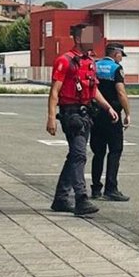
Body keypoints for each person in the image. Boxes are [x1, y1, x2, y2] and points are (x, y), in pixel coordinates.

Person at [46, 24, 119, 215]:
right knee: (79, 155)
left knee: (74, 156)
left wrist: (108, 107)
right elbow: (55, 91)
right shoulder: (64, 61)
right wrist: (51, 117)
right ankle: (81, 198)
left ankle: (61, 199)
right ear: (78, 39)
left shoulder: (90, 62)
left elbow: (93, 90)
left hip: (86, 114)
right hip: (71, 114)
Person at [90, 42, 131, 201]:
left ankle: (95, 189)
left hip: (96, 114)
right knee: (115, 150)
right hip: (112, 116)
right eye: (121, 55)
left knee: (98, 152)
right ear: (116, 54)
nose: (121, 59)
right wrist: (128, 113)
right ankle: (111, 188)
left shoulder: (94, 65)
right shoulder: (116, 68)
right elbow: (121, 92)